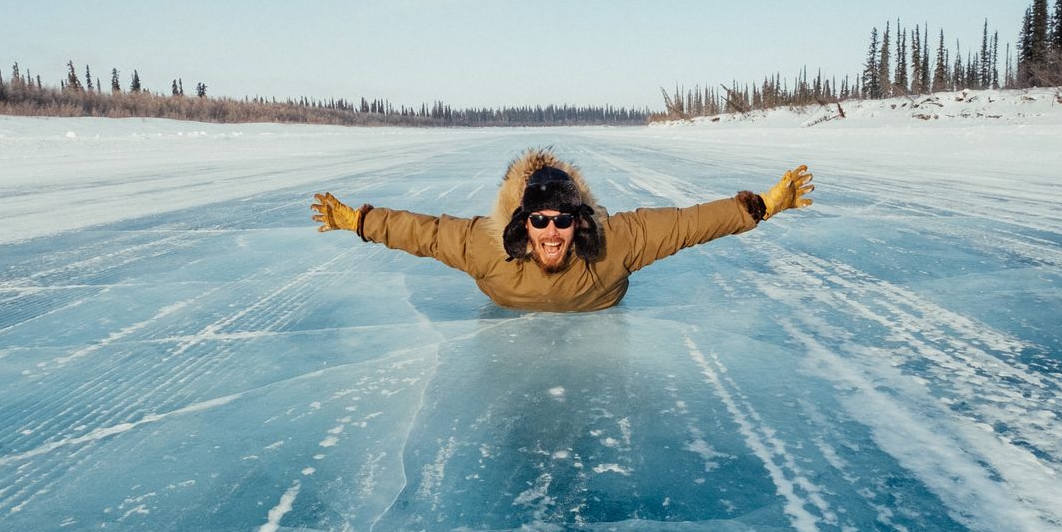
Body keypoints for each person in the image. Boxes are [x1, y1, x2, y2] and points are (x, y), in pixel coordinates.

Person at [309, 148, 813, 313]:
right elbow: (420, 232)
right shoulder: (486, 248)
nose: (552, 233)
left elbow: (685, 225)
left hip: (599, 316)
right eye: (540, 221)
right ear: (523, 223)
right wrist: (358, 220)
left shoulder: (614, 244)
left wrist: (761, 206)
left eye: (563, 220)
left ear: (580, 222)